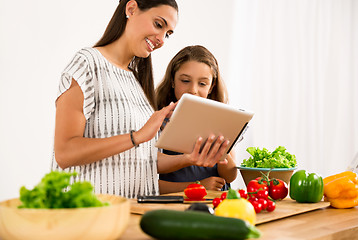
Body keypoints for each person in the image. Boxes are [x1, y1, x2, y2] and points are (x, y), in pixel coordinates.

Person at [51, 0, 230, 199]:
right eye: (159, 25)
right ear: (131, 9)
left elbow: (141, 161)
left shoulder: (137, 81)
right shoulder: (88, 64)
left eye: (168, 34)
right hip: (89, 212)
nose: (162, 39)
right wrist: (136, 136)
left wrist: (190, 158)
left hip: (129, 212)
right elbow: (65, 153)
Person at [156, 45, 238, 194]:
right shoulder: (158, 120)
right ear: (173, 81)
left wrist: (221, 152)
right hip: (176, 203)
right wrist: (197, 186)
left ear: (211, 86)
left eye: (202, 84)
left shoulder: (222, 119)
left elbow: (230, 176)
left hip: (216, 203)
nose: (193, 90)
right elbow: (148, 182)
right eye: (185, 81)